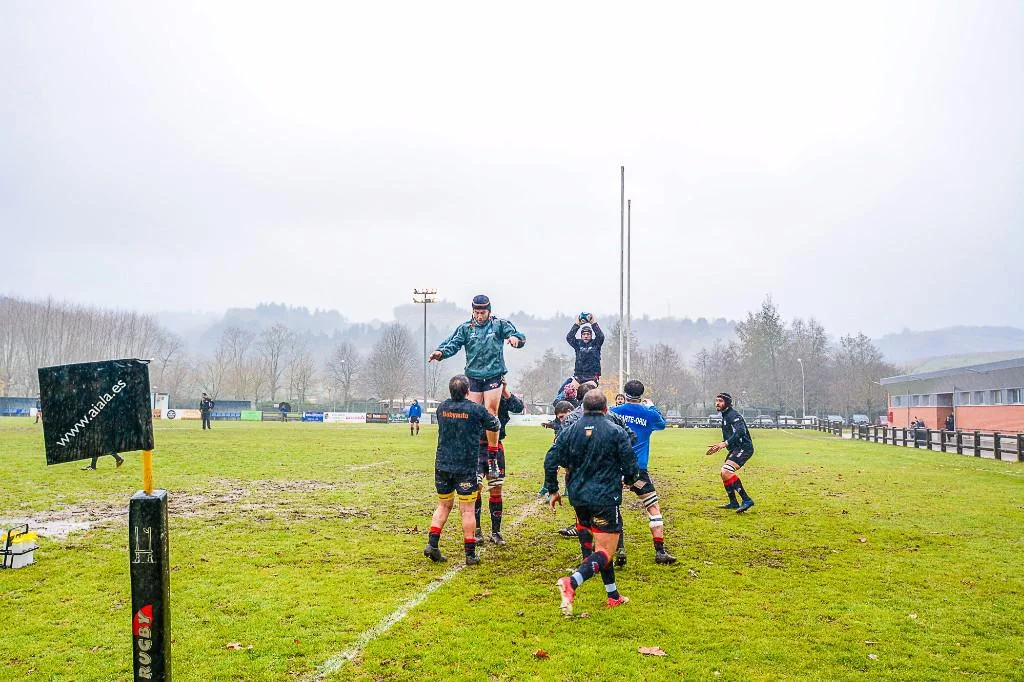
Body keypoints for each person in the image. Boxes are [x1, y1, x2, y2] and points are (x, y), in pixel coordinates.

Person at [545, 390, 639, 614]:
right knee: (606, 550)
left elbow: (550, 459)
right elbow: (630, 464)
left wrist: (553, 489)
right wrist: (629, 479)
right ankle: (571, 582)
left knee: (598, 545)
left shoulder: (569, 431)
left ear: (583, 408)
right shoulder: (616, 431)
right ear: (606, 409)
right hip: (605, 497)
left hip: (578, 497)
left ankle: (613, 596)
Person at [429, 294, 525, 482]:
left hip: (493, 374)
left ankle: (492, 457)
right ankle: (470, 454)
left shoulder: (499, 325)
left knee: (490, 411)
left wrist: (515, 339)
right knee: (472, 415)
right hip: (473, 376)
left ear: (489, 312)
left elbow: (517, 335)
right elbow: (452, 343)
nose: (479, 316)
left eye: (482, 313)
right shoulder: (466, 328)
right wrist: (440, 353)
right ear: (473, 312)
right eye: (476, 313)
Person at [424, 375, 500, 566]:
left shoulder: (442, 408)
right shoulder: (475, 410)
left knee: (443, 505)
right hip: (465, 467)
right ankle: (470, 554)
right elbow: (495, 425)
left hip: (442, 464)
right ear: (467, 391)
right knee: (467, 510)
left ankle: (432, 544)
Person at [610, 379, 676, 565]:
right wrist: (652, 406)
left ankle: (620, 549)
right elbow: (662, 424)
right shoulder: (649, 414)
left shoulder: (614, 412)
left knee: (613, 507)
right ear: (641, 394)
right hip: (638, 470)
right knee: (652, 506)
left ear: (624, 394)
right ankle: (660, 551)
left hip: (616, 468)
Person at [474, 378, 524, 545]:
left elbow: (518, 407)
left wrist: (504, 390)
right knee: (475, 489)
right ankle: (476, 530)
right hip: (476, 448)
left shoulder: (500, 395)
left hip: (496, 448)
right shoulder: (474, 394)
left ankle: (496, 532)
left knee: (496, 490)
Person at [705, 392, 755, 513]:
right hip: (736, 448)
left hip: (744, 447)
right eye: (716, 400)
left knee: (726, 471)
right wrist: (720, 445)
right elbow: (730, 436)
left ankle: (747, 500)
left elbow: (741, 431)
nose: (717, 403)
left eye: (720, 401)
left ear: (727, 403)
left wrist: (725, 443)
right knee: (724, 473)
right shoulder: (725, 415)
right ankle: (733, 502)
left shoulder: (733, 415)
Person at [565, 313, 604, 388]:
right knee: (569, 390)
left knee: (587, 390)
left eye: (588, 334)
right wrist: (577, 324)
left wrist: (593, 323)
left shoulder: (596, 343)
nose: (586, 336)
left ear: (591, 335)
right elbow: (569, 337)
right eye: (584, 334)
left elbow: (601, 336)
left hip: (592, 376)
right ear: (581, 335)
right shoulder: (577, 344)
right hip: (579, 375)